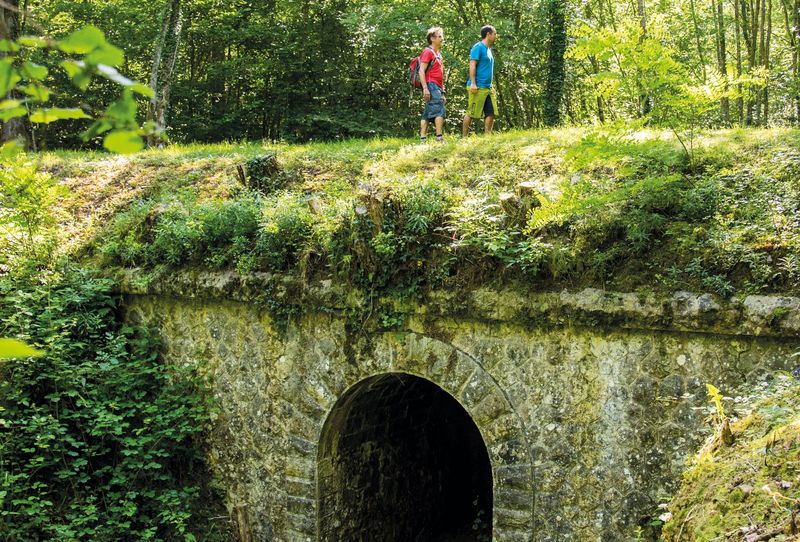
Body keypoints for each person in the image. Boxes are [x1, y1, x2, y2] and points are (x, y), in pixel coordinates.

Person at [462, 25, 498, 137]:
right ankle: (464, 138)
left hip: (487, 88)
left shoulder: (488, 49)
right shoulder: (478, 47)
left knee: (491, 113)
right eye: (494, 34)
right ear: (488, 34)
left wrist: (491, 85)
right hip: (477, 87)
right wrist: (473, 83)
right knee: (471, 113)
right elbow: (472, 65)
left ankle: (487, 137)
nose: (496, 36)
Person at [419, 27, 446, 143]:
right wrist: (425, 88)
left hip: (437, 87)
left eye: (441, 36)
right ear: (432, 38)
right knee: (439, 110)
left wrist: (443, 92)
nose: (441, 38)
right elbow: (421, 71)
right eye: (439, 36)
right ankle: (439, 138)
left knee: (427, 113)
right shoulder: (428, 52)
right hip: (431, 85)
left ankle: (423, 139)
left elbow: (441, 74)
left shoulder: (438, 54)